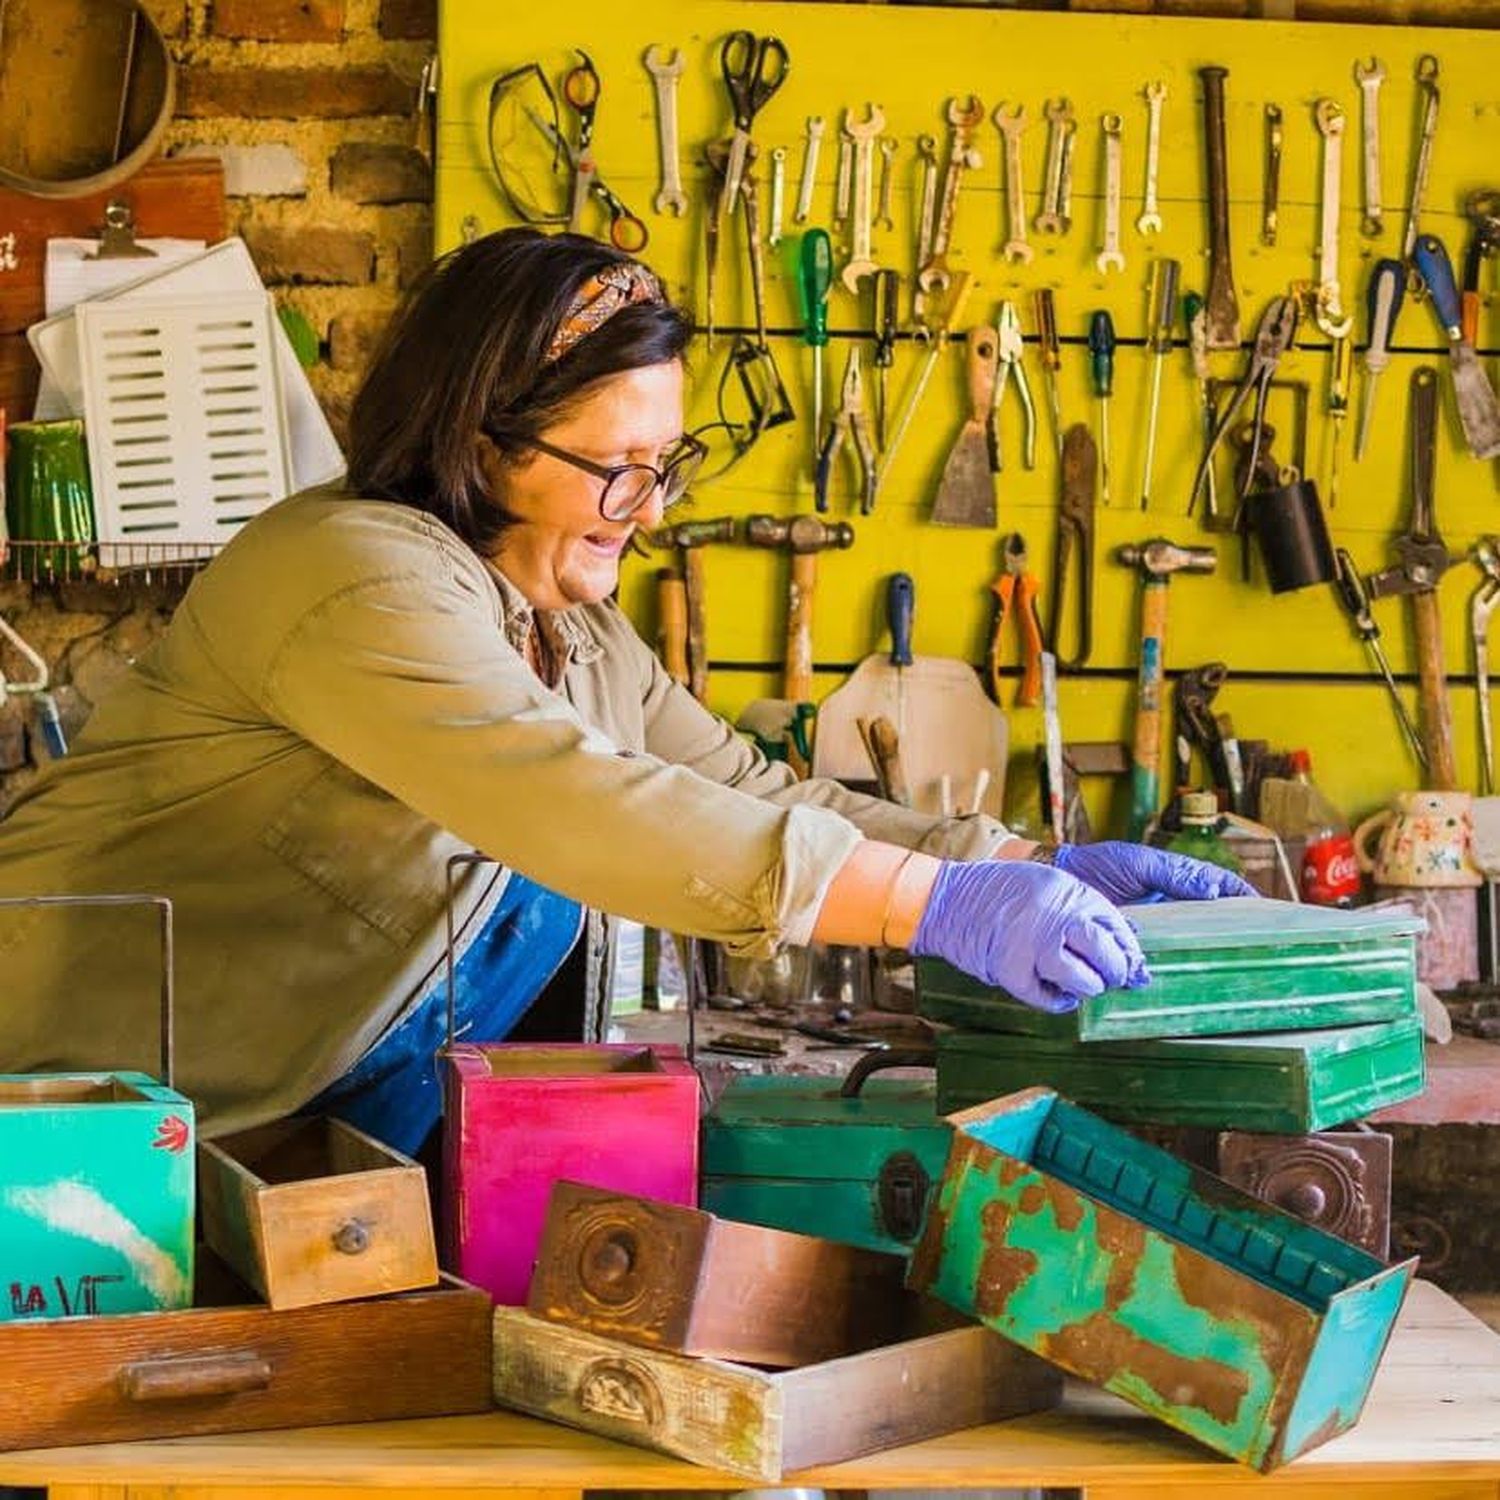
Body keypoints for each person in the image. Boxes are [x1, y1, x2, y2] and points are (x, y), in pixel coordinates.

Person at [0, 230, 1251, 1151]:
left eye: (669, 465)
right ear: (481, 439)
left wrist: (1009, 857)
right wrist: (939, 906)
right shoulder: (355, 582)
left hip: (280, 1113)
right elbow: (594, 810)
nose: (650, 513)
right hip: (79, 1117)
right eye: (618, 469)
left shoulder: (568, 624)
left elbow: (737, 785)